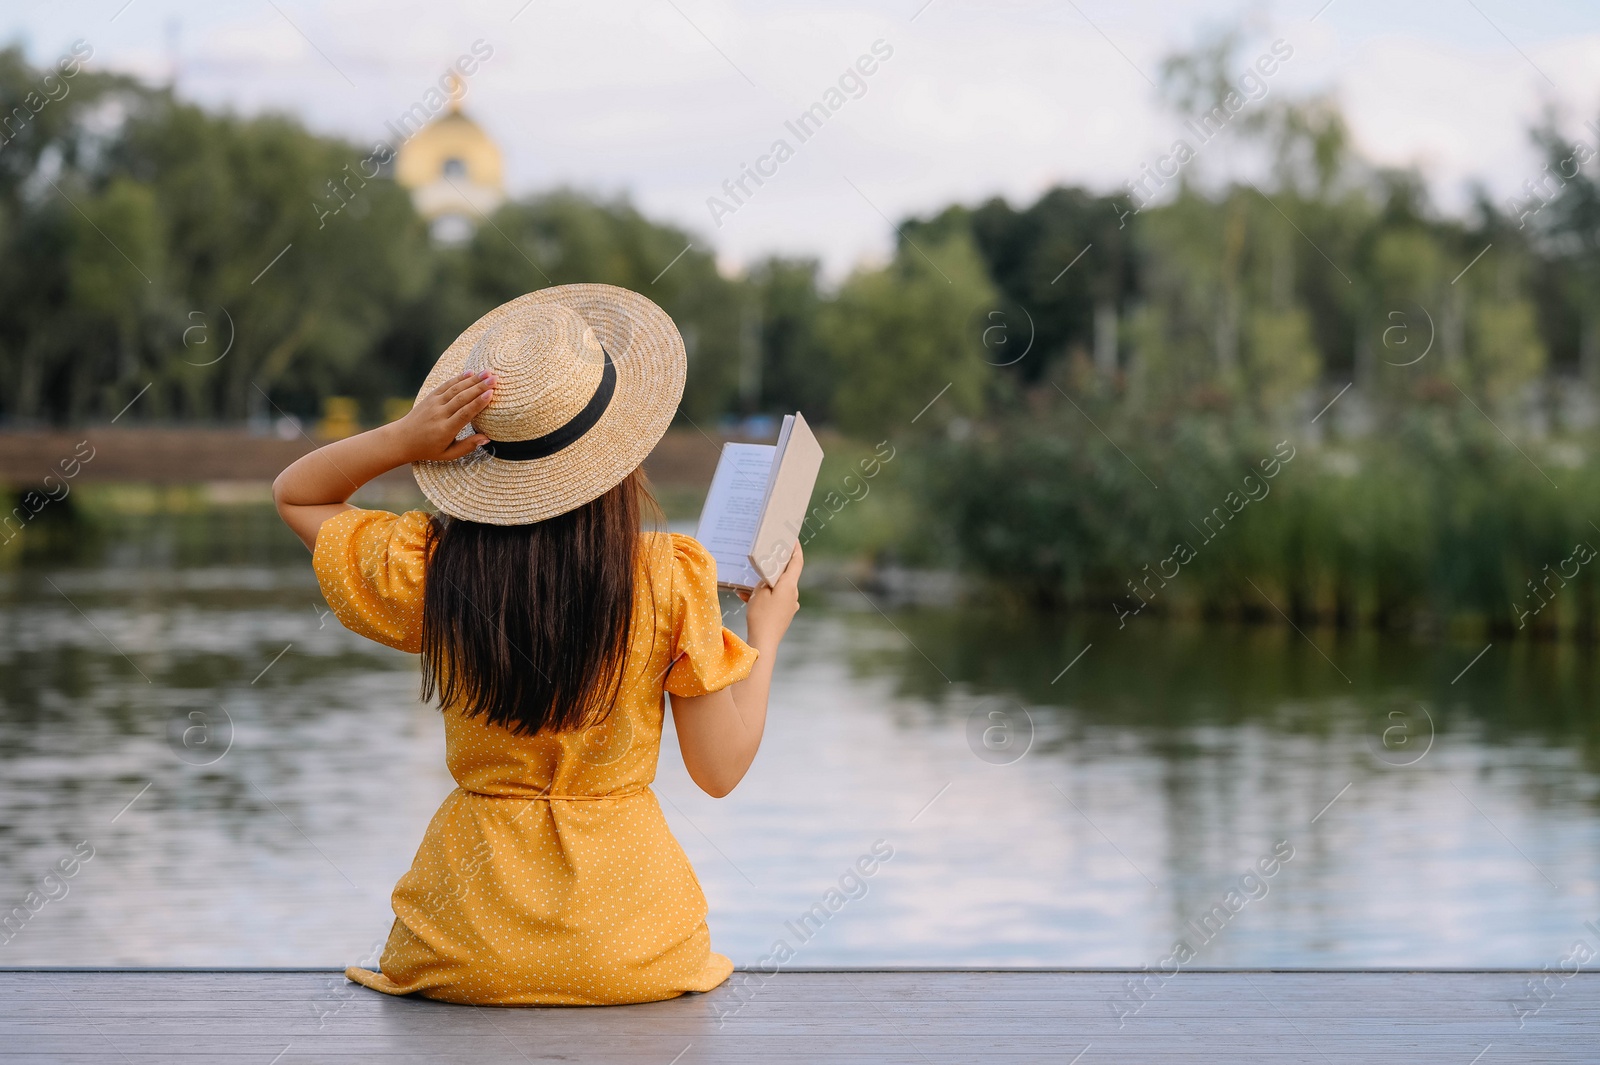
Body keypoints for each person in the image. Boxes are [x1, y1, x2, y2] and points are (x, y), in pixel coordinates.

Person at [271, 283, 802, 1005]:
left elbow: (298, 494)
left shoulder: (435, 568)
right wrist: (765, 630)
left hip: (464, 949)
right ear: (622, 445)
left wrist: (404, 438)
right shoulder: (668, 577)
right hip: (635, 955)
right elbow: (719, 769)